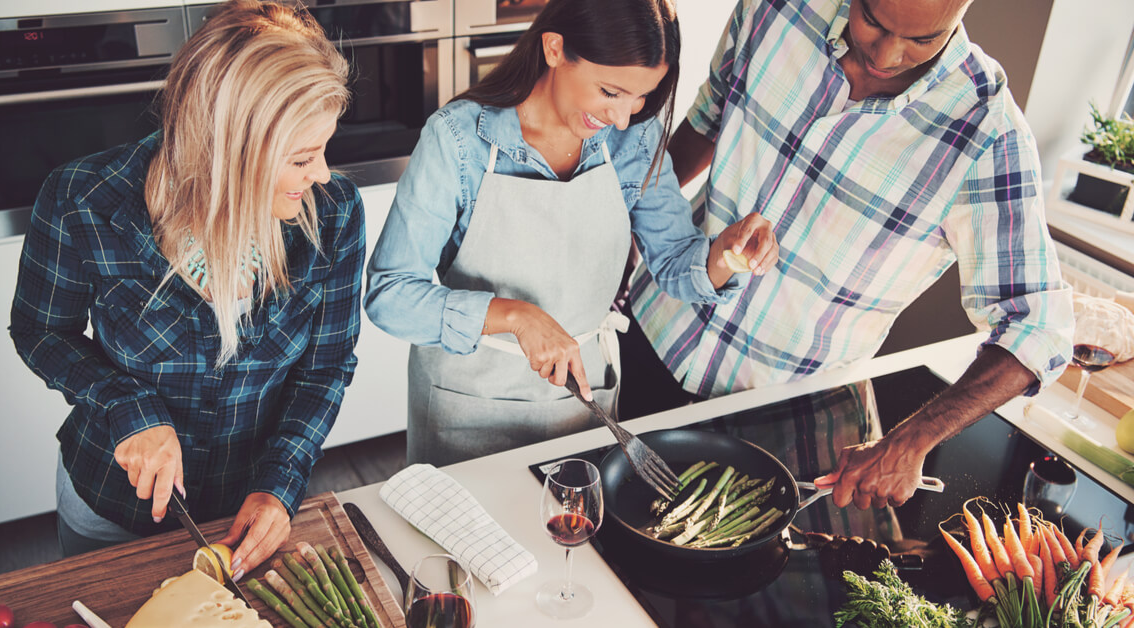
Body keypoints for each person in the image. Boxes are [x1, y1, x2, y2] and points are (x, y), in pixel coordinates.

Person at [621, 0, 1074, 509]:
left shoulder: (989, 134)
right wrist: (617, 234)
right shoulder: (777, 10)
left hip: (789, 422)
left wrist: (913, 439)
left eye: (923, 39)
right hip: (653, 333)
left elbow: (1037, 328)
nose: (887, 53)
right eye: (874, 21)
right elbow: (706, 121)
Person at [9, 0, 362, 579]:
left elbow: (325, 367)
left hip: (243, 511)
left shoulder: (334, 215)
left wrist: (282, 481)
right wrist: (128, 406)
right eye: (302, 157)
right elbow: (41, 330)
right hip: (110, 509)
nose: (323, 174)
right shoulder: (84, 199)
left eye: (323, 150)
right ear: (230, 154)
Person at [365, 0, 779, 466]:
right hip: (466, 410)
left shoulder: (635, 138)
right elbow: (390, 295)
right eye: (610, 92)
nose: (623, 117)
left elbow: (675, 261)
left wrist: (726, 255)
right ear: (555, 48)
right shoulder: (458, 140)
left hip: (582, 407)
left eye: (641, 98)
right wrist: (514, 315)